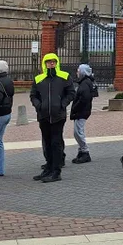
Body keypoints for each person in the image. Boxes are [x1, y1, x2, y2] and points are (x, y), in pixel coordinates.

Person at [30, 53, 74, 183]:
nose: (51, 64)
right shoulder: (39, 79)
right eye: (48, 62)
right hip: (43, 116)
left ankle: (56, 170)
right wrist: (39, 105)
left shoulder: (64, 77)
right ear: (44, 64)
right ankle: (48, 167)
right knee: (47, 143)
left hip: (58, 116)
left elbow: (71, 93)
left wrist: (62, 104)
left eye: (53, 61)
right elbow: (33, 95)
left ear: (57, 62)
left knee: (56, 143)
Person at [70, 64, 97, 163]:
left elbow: (84, 99)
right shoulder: (85, 82)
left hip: (81, 111)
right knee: (77, 132)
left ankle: (85, 151)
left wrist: (75, 107)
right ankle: (81, 151)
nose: (77, 73)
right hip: (82, 111)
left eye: (78, 71)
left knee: (78, 132)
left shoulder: (85, 83)